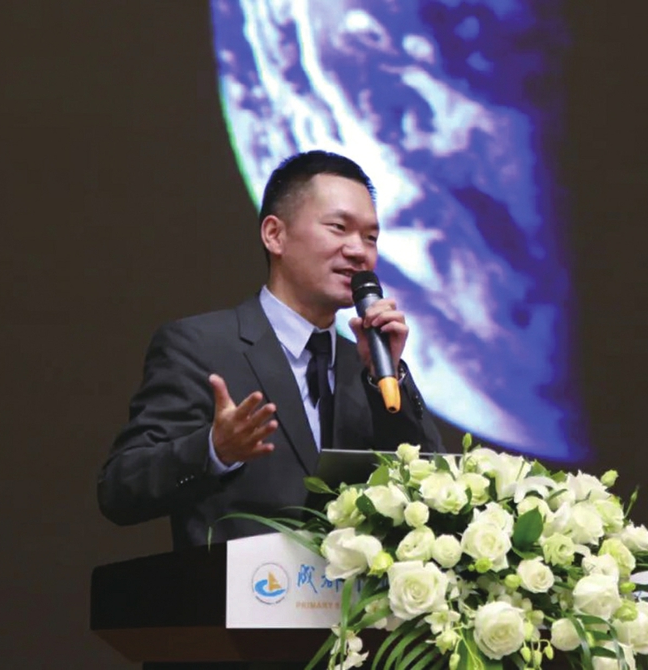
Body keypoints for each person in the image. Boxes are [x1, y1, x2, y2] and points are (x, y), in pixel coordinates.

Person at [98, 150, 444, 549]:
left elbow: (432, 487)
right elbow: (120, 488)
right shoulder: (199, 347)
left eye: (371, 237)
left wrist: (389, 372)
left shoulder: (368, 367)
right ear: (274, 235)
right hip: (236, 587)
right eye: (339, 228)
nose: (358, 251)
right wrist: (214, 449)